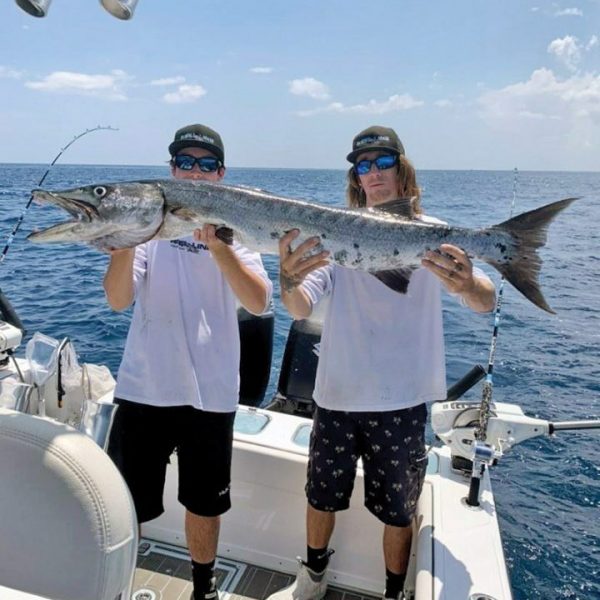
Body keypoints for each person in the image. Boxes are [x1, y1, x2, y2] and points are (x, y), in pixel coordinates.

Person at [268, 126, 496, 600]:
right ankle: (312, 578)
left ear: (402, 168)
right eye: (363, 166)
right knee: (320, 497)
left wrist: (466, 284)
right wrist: (287, 278)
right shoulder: (335, 234)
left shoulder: (433, 235)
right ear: (356, 177)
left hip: (402, 401)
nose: (373, 173)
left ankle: (394, 592)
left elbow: (485, 301)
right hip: (336, 396)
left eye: (382, 162)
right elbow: (299, 308)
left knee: (398, 510)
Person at [105, 124, 273, 600]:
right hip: (145, 386)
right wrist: (122, 247)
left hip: (212, 390)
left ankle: (205, 590)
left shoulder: (236, 230)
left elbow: (259, 301)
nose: (194, 173)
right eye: (185, 162)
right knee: (126, 502)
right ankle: (116, 583)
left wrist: (220, 248)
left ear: (220, 174)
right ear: (172, 168)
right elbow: (118, 300)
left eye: (205, 165)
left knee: (205, 502)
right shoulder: (147, 226)